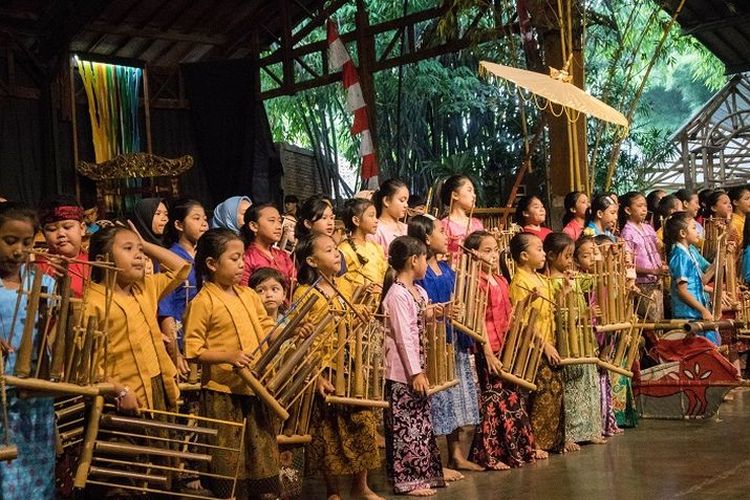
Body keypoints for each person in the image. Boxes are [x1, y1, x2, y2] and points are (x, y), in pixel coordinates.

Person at [184, 228, 282, 499]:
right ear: (212, 264)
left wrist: (290, 331)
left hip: (256, 386)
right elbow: (193, 349)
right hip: (223, 391)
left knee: (261, 450)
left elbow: (265, 326)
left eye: (242, 259)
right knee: (228, 456)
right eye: (235, 259)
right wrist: (228, 355)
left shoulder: (248, 295)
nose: (242, 264)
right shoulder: (203, 302)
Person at [293, 233, 382, 500]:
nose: (337, 254)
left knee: (363, 422)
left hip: (350, 364)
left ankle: (361, 485)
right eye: (329, 250)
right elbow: (300, 337)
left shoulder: (343, 287)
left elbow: (346, 327)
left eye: (336, 249)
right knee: (327, 431)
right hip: (324, 366)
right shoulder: (304, 293)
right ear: (311, 260)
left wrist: (360, 316)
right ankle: (332, 490)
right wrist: (316, 375)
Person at [86, 224, 189, 413]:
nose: (139, 255)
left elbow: (182, 267)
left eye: (140, 250)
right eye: (128, 248)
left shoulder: (144, 287)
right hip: (124, 395)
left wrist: (144, 244)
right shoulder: (90, 303)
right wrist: (118, 390)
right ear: (102, 260)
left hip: (158, 383)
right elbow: (86, 365)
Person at [409, 215, 480, 476]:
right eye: (440, 231)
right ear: (427, 238)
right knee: (439, 400)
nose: (446, 235)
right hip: (435, 341)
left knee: (455, 399)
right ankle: (436, 459)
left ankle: (456, 454)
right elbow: (420, 307)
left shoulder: (447, 269)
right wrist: (440, 312)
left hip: (454, 339)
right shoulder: (420, 273)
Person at [464, 230, 540, 469]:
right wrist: (486, 351)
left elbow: (509, 314)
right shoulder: (473, 282)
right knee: (492, 401)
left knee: (511, 397)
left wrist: (526, 303)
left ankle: (519, 447)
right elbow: (477, 319)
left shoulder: (501, 279)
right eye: (487, 251)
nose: (493, 255)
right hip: (488, 348)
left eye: (495, 250)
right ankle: (490, 454)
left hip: (506, 345)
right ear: (473, 254)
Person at [381, 236, 446, 496]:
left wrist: (437, 313)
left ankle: (424, 473)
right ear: (413, 261)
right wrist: (415, 372)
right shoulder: (396, 294)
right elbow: (403, 336)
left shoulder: (417, 291)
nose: (426, 265)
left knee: (421, 424)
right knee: (405, 427)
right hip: (402, 372)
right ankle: (407, 479)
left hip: (418, 367)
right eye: (423, 259)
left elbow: (421, 315)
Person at [0, 202, 56, 499]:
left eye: (26, 242)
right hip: (3, 390)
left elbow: (54, 326)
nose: (19, 250)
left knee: (37, 466)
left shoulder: (41, 282)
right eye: (10, 241)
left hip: (35, 390)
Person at [545, 232, 605, 449]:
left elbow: (599, 274)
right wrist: (583, 315)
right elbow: (557, 313)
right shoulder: (551, 283)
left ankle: (590, 429)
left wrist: (598, 252)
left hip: (583, 338)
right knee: (572, 388)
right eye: (567, 256)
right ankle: (569, 435)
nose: (570, 261)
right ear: (551, 256)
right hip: (568, 340)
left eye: (572, 256)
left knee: (588, 383)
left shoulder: (572, 277)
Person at [508, 233, 564, 454]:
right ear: (523, 256)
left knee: (554, 393)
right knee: (539, 395)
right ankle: (535, 443)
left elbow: (551, 310)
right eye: (539, 249)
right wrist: (544, 345)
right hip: (532, 347)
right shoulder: (519, 282)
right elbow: (521, 320)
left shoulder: (541, 279)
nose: (543, 254)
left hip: (549, 341)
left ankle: (552, 441)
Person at [576, 236, 621, 437]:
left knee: (603, 380)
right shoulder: (582, 280)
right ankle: (593, 427)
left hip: (603, 333)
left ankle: (605, 423)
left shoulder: (601, 278)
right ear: (576, 260)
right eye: (587, 255)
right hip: (587, 335)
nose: (593, 259)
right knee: (592, 381)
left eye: (595, 253)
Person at [158, 198, 208, 375]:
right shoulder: (169, 259)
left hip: (206, 341)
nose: (203, 223)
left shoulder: (207, 259)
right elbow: (166, 309)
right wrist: (175, 354)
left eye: (205, 219)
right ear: (179, 224)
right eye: (196, 218)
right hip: (181, 340)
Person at [664, 212, 721, 345]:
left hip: (696, 312)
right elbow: (682, 291)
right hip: (688, 314)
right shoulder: (680, 256)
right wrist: (703, 310)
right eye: (694, 228)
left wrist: (719, 259)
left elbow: (702, 281)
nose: (698, 232)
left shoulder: (690, 252)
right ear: (683, 233)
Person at [619, 191, 666, 320]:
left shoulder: (648, 228)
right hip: (642, 285)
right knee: (649, 323)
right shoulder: (627, 233)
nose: (644, 209)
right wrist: (654, 270)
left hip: (657, 281)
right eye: (639, 206)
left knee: (660, 321)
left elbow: (658, 250)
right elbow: (628, 264)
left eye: (645, 205)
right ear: (628, 210)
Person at [36, 195, 90, 297]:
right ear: (43, 234)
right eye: (52, 229)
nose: (61, 233)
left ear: (82, 229)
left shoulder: (94, 264)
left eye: (67, 227)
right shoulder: (36, 268)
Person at [240, 203, 296, 287]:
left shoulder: (283, 255)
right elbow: (244, 290)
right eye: (271, 221)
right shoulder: (247, 258)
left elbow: (294, 282)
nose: (279, 227)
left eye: (279, 221)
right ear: (254, 226)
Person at [339, 198, 388, 289]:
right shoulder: (344, 250)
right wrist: (362, 288)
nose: (376, 220)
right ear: (356, 221)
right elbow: (340, 283)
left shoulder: (377, 247)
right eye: (371, 216)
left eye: (376, 216)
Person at [439, 175, 482, 258]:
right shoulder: (445, 224)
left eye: (474, 192)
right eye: (469, 190)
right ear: (455, 195)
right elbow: (441, 255)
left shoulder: (477, 223)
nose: (474, 195)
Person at [373, 179, 409, 256]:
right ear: (386, 201)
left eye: (407, 201)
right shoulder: (375, 230)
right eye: (402, 200)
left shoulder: (407, 228)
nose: (406, 205)